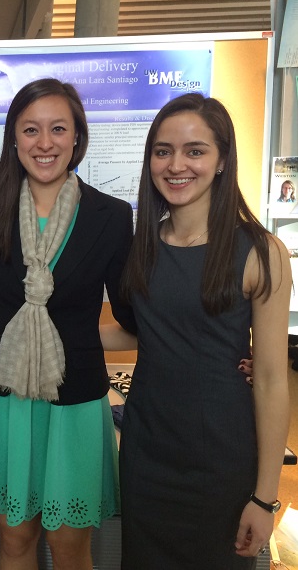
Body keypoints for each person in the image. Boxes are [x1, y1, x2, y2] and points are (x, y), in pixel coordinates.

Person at [110, 93, 290, 568]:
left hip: (222, 458)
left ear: (223, 160)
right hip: (147, 451)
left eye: (195, 150)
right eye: (163, 150)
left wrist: (265, 497)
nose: (176, 164)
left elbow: (271, 379)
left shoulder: (260, 251)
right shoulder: (142, 245)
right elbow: (145, 333)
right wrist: (46, 331)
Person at [0, 78, 137, 570]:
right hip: (8, 400)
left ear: (77, 137)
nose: (45, 143)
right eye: (30, 130)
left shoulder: (109, 216)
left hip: (76, 400)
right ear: (14, 138)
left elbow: (132, 322)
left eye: (57, 129)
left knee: (69, 548)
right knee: (15, 541)